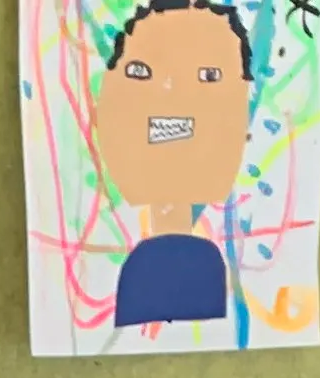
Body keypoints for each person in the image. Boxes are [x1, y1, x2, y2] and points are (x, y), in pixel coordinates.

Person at [88, 1, 257, 329]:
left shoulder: (189, 268)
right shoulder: (155, 267)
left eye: (208, 76)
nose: (170, 93)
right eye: (140, 71)